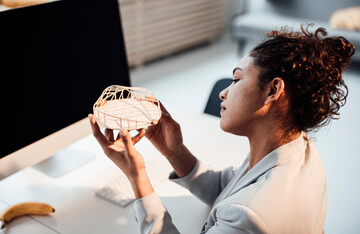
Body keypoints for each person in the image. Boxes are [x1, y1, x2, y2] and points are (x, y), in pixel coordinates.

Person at [88, 24, 355, 234]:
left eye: (237, 79)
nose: (224, 93)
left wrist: (138, 178)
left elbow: (241, 206)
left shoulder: (250, 217)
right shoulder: (296, 146)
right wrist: (175, 151)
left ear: (273, 90)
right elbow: (228, 189)